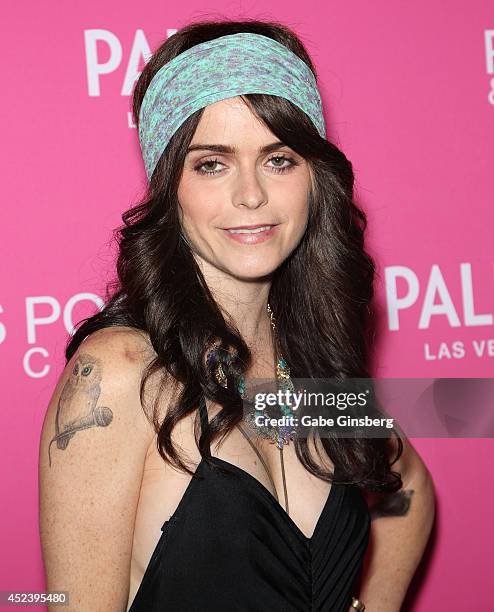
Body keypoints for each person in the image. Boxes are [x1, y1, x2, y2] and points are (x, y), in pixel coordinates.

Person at [39, 18, 435, 612]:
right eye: (212, 164)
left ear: (314, 178)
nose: (251, 195)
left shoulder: (304, 367)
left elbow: (408, 490)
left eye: (279, 160)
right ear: (169, 187)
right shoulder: (120, 375)